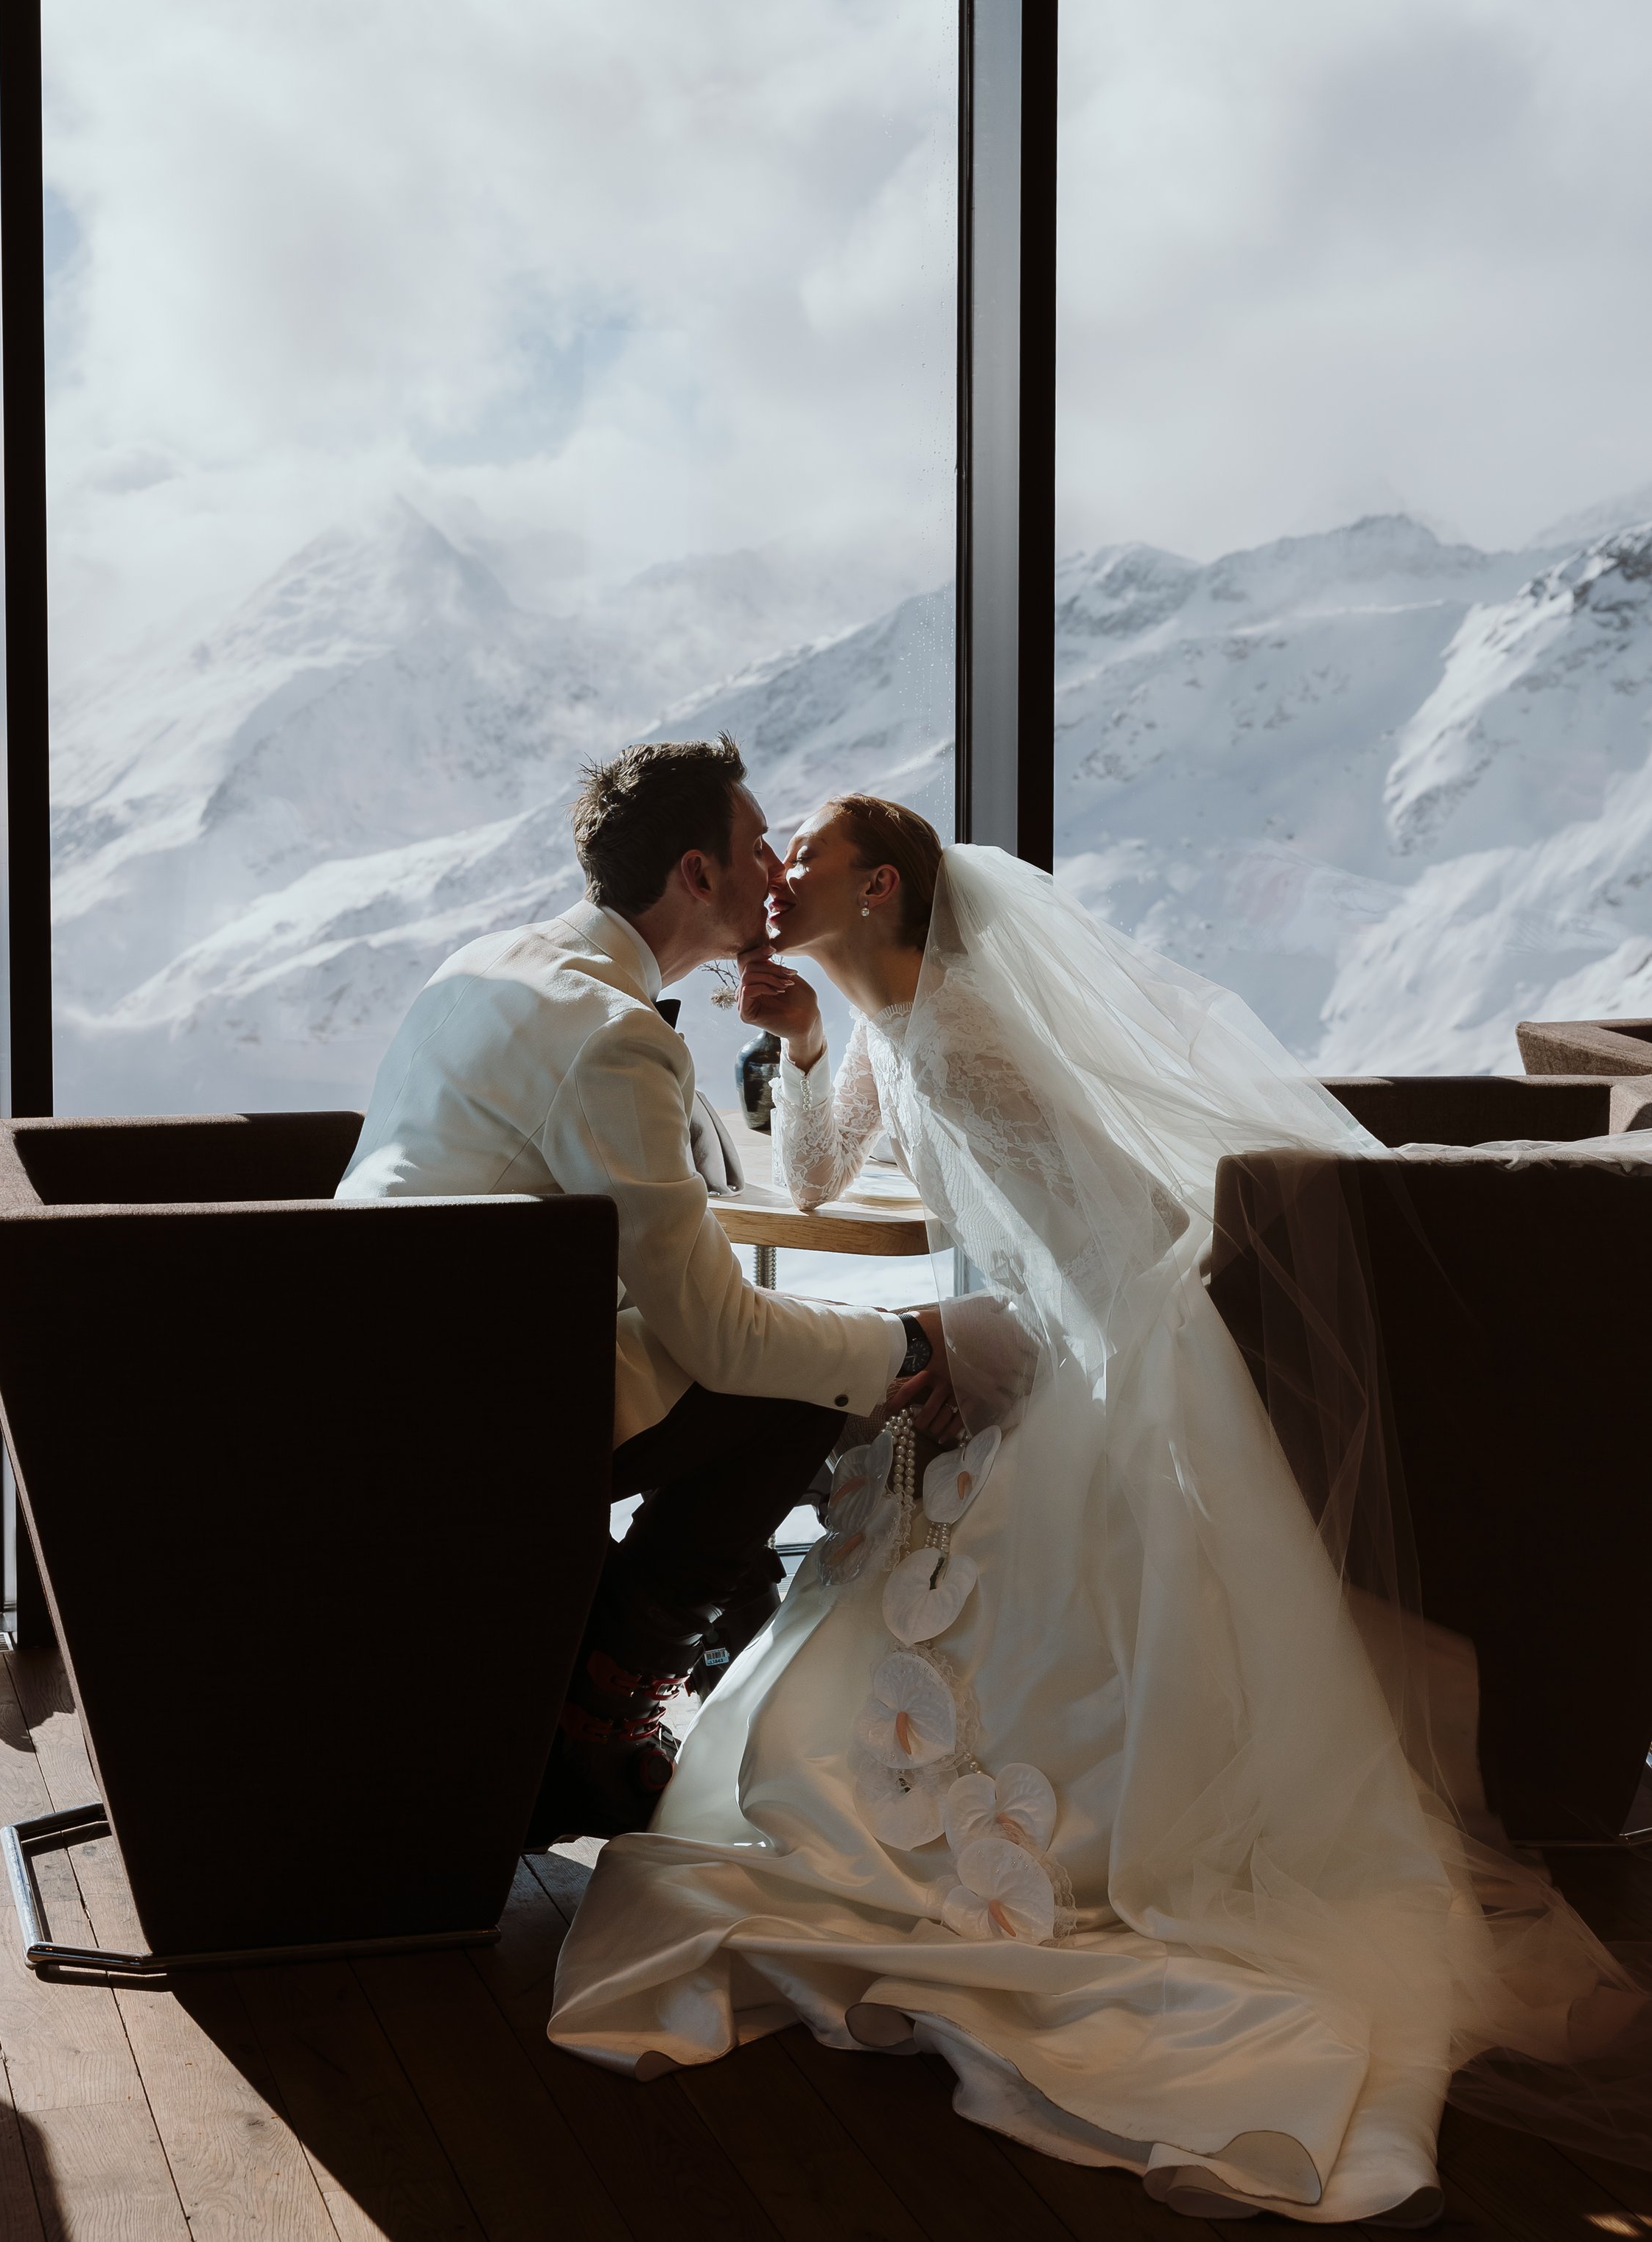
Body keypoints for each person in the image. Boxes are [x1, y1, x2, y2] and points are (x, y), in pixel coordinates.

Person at [547, 794, 1646, 2225]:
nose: (774, 877)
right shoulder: (892, 1025)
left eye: (800, 856)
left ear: (876, 884)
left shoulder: (968, 1026)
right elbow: (811, 1172)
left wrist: (1035, 1374)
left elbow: (1121, 1220)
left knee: (965, 1565)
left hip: (1101, 1361)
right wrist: (803, 1031)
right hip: (1024, 1347)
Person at [336, 741, 951, 1843]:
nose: (776, 866)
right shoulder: (614, 1034)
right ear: (698, 876)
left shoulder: (486, 960)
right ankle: (605, 1705)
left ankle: (606, 1657)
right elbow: (716, 1332)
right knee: (808, 1380)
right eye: (758, 844)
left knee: (789, 1353)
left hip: (380, 1360)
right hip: (479, 1403)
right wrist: (899, 1347)